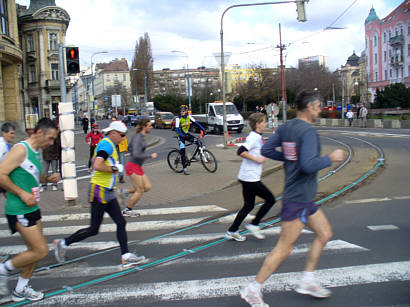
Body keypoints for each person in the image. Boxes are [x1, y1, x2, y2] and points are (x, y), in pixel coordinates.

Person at [240, 90, 344, 306]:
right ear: (310, 106)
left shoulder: (286, 127)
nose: (320, 109)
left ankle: (307, 280)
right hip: (297, 198)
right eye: (319, 106)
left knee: (324, 233)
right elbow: (308, 165)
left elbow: (267, 149)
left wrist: (288, 158)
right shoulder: (307, 132)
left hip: (305, 199)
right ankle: (253, 289)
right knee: (284, 247)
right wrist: (330, 158)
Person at [53, 120, 147, 268]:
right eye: (122, 135)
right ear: (114, 133)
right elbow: (96, 165)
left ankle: (126, 255)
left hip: (107, 191)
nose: (123, 138)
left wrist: (111, 167)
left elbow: (92, 160)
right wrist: (114, 169)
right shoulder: (107, 144)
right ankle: (63, 243)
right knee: (93, 229)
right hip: (99, 191)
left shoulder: (108, 144)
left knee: (121, 222)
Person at [0, 118, 59, 302]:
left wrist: (48, 179)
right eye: (50, 138)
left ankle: (20, 290)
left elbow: (32, 175)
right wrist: (21, 193)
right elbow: (1, 174)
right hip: (19, 208)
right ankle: (3, 270)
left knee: (34, 252)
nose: (51, 143)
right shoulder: (20, 149)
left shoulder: (34, 152)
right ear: (39, 132)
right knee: (40, 251)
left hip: (32, 207)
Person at [225, 113, 276, 242]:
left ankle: (232, 230)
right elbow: (240, 151)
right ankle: (254, 224)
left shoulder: (257, 137)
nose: (266, 124)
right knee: (270, 199)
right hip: (250, 178)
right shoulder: (254, 137)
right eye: (264, 122)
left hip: (247, 176)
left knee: (248, 205)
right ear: (258, 124)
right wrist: (257, 159)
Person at [118, 118, 157, 217]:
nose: (151, 127)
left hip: (137, 166)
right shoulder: (138, 138)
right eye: (150, 126)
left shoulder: (141, 137)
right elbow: (135, 153)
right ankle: (127, 209)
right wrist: (149, 156)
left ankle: (124, 192)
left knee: (147, 187)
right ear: (144, 127)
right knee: (140, 190)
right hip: (132, 166)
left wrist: (142, 157)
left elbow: (131, 149)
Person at [175, 105, 206, 175]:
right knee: (183, 151)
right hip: (180, 136)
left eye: (183, 111)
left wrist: (203, 129)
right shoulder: (178, 118)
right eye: (181, 111)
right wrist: (182, 135)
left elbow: (196, 123)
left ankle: (194, 156)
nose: (182, 112)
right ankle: (185, 168)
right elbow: (177, 129)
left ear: (186, 111)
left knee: (198, 142)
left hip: (186, 134)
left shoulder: (189, 116)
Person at [0, 123, 16, 197]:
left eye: (14, 133)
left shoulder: (6, 144)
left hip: (4, 175)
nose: (13, 136)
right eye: (11, 133)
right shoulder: (1, 145)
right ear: (3, 133)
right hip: (2, 175)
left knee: (9, 195)